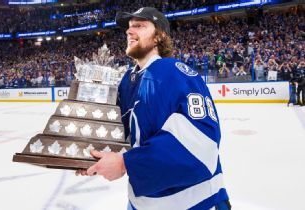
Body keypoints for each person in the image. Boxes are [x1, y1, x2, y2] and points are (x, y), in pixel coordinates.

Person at [76, 7, 230, 210]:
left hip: (195, 203)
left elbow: (202, 145)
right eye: (129, 27)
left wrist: (126, 163)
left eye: (139, 26)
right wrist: (88, 155)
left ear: (159, 37)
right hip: (142, 202)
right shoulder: (127, 80)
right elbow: (119, 134)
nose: (129, 32)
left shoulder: (175, 73)